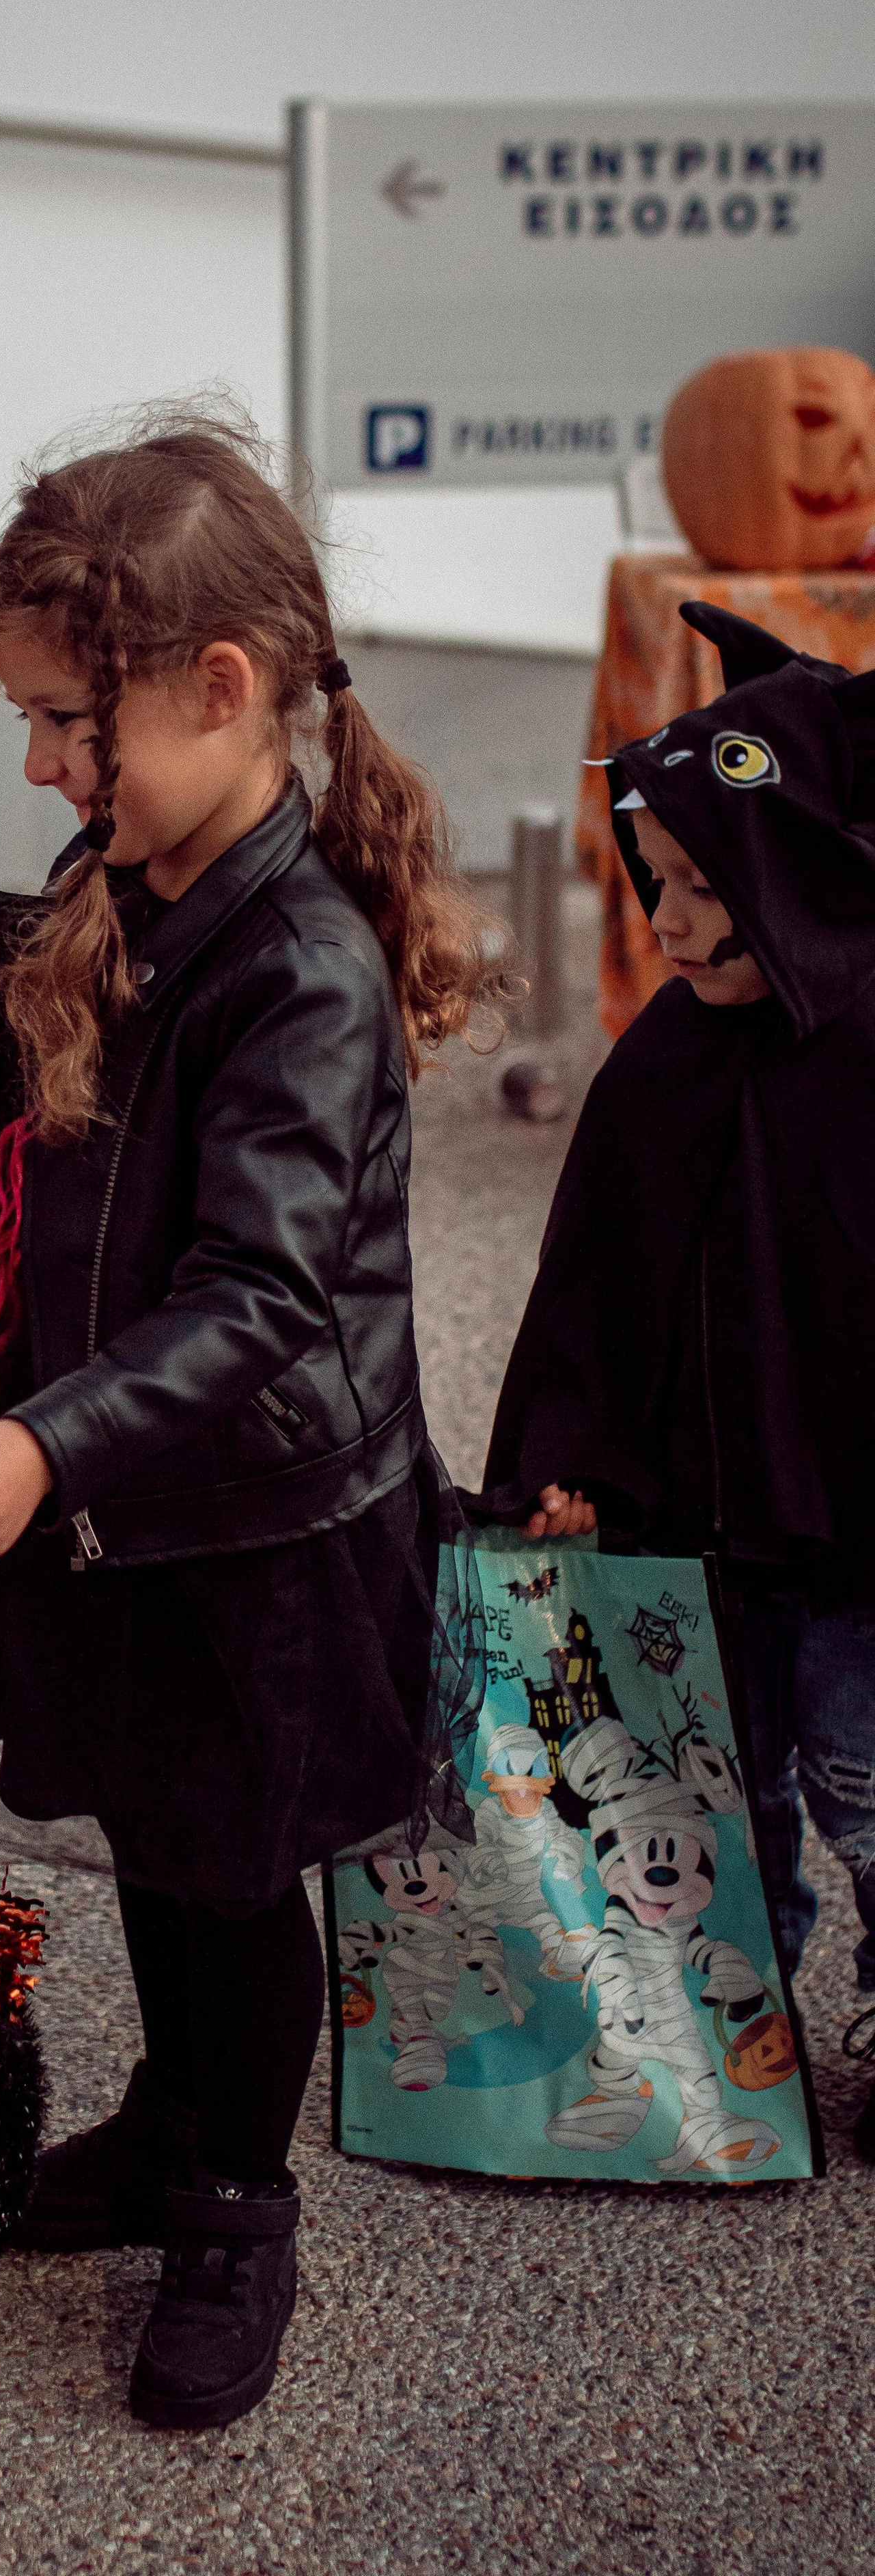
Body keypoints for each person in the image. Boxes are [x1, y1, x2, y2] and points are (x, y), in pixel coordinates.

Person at [0, 411, 505, 2430]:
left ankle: (230, 2202)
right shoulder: (122, 865)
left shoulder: (302, 967)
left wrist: (39, 1447)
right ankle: (163, 2117)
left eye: (61, 720)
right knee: (154, 1828)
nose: (37, 763)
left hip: (256, 1529)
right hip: (124, 1494)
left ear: (218, 690)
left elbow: (272, 1301)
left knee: (230, 1867)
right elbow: (15, 1105)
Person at [483, 599, 875, 2163]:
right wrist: (555, 1458)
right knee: (719, 1800)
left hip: (857, 1555)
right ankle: (735, 2020)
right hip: (698, 1545)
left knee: (865, 1786)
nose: (674, 926)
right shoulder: (661, 1062)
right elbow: (590, 1285)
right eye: (656, 887)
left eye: (711, 892)